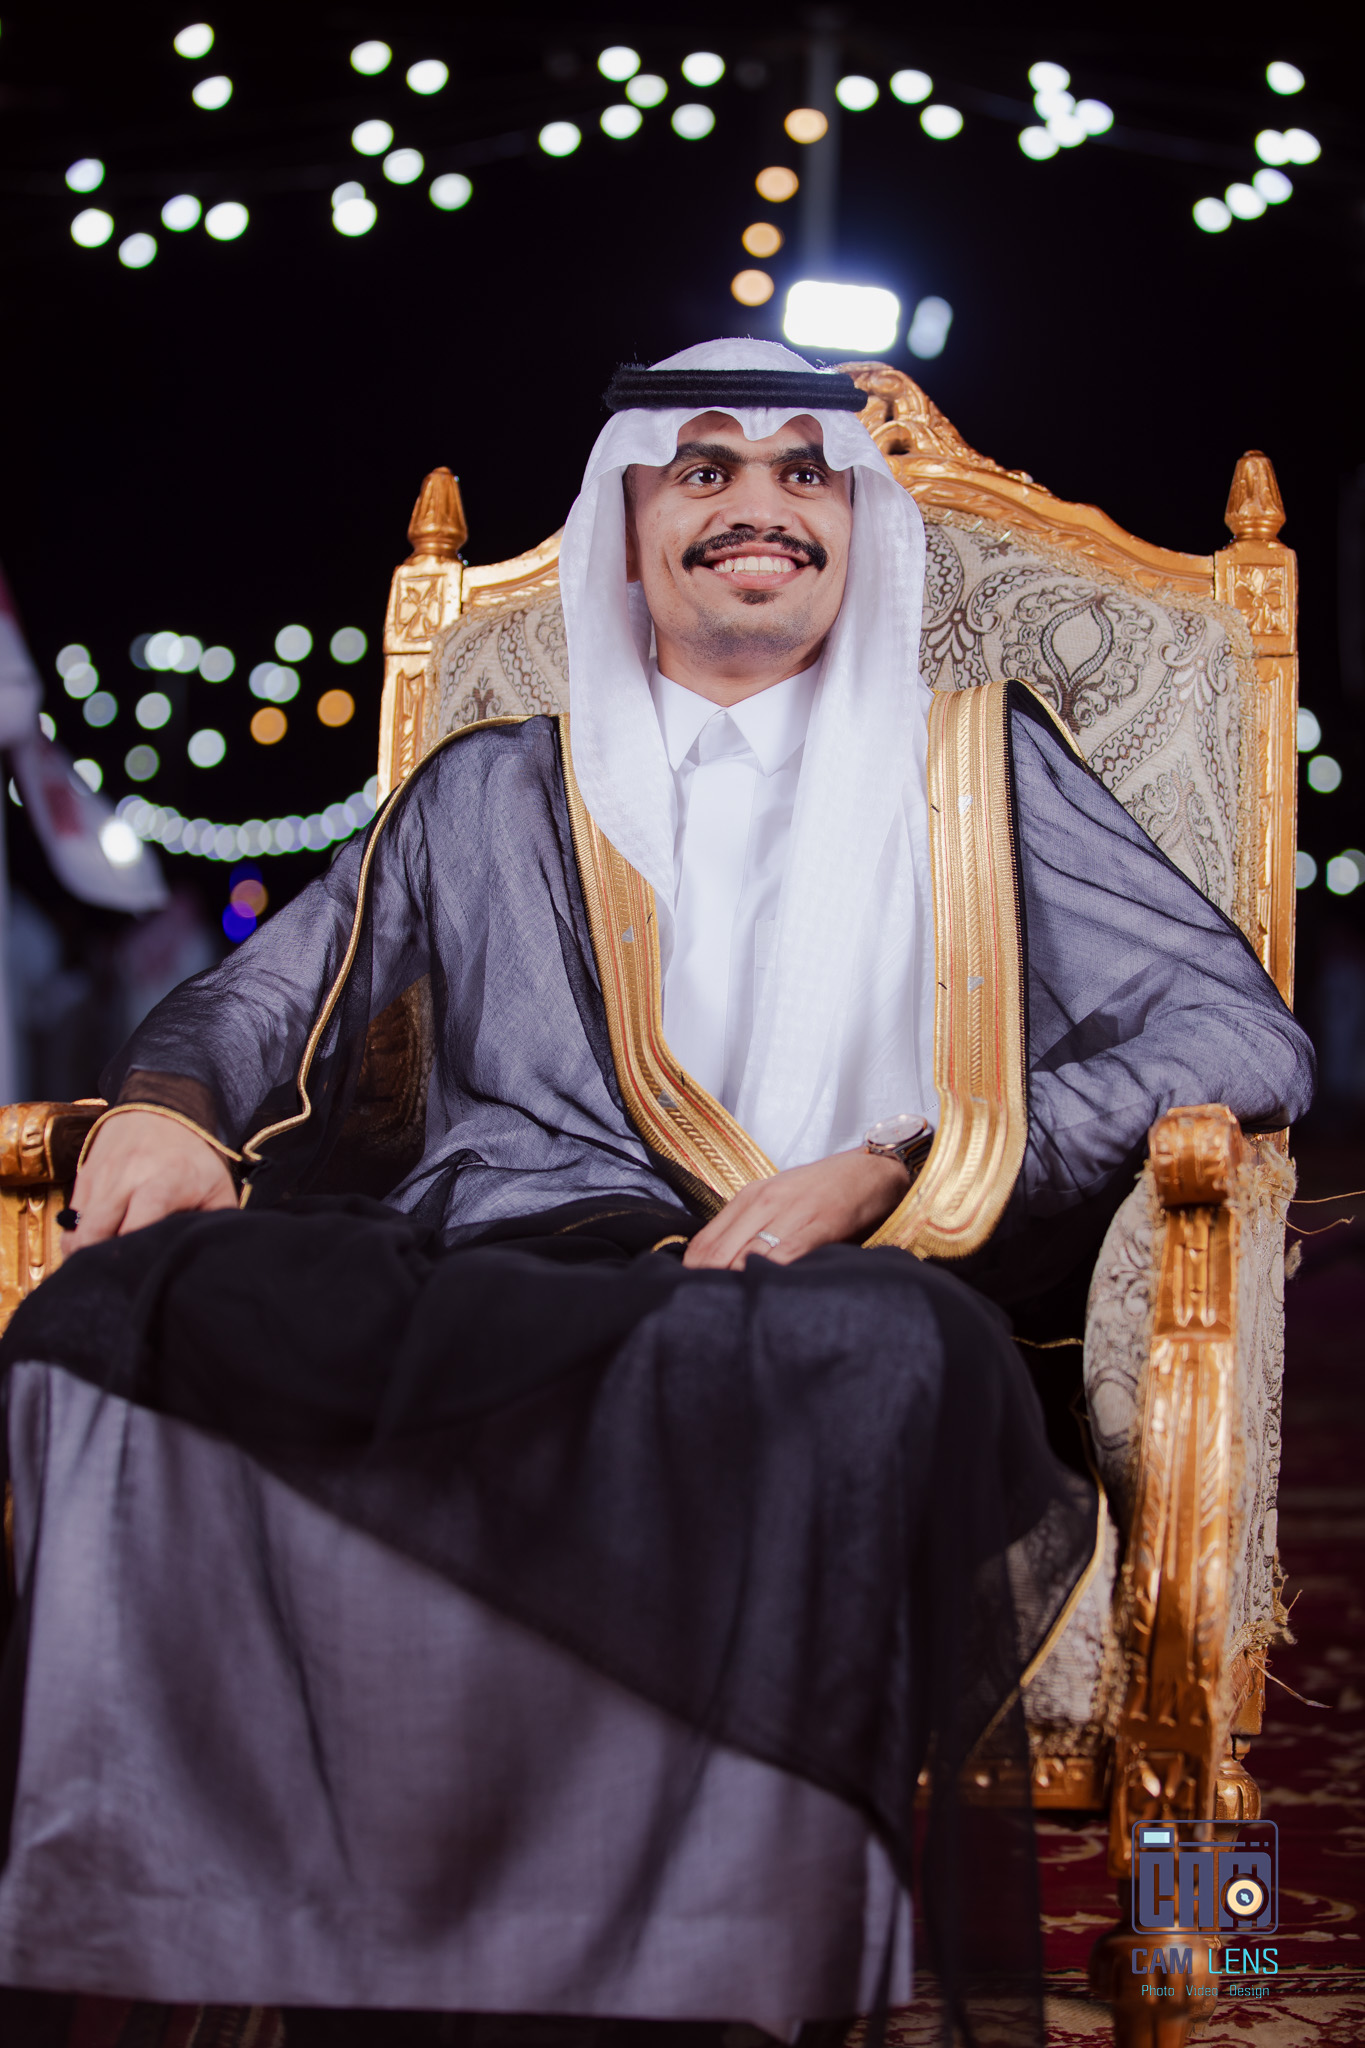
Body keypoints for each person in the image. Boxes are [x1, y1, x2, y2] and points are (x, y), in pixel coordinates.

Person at [0, 341, 1313, 2048]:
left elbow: (1236, 1035)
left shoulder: (980, 766)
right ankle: (250, 1931)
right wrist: (166, 1112)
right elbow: (268, 995)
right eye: (702, 470)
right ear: (625, 530)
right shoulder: (496, 784)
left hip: (830, 1298)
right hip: (511, 1276)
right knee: (122, 1304)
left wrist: (898, 1156)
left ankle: (758, 1970)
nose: (758, 507)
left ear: (858, 529)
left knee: (879, 1357)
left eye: (801, 474)